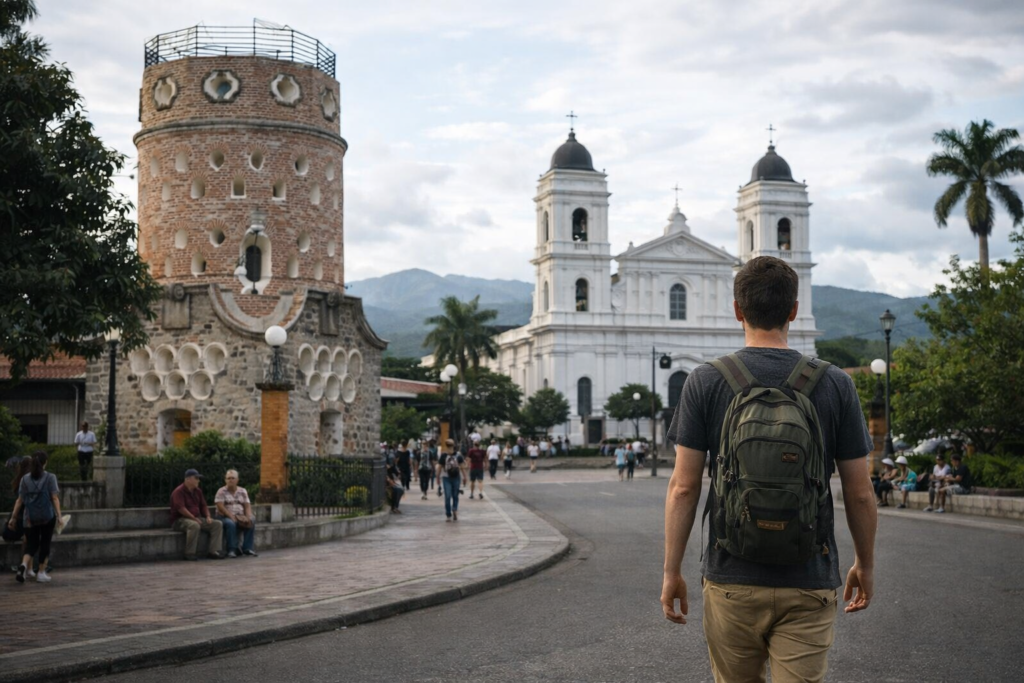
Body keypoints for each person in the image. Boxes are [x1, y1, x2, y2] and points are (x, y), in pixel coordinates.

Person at [661, 256, 877, 683]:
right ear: (793, 311)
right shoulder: (835, 383)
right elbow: (860, 492)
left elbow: (683, 489)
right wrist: (864, 564)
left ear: (738, 310)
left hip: (731, 577)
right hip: (810, 577)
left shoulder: (705, 381)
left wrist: (671, 572)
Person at [8, 451, 63, 583]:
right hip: (47, 516)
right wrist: (59, 516)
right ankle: (41, 572)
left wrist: (13, 517)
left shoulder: (25, 479)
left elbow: (20, 500)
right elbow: (54, 498)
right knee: (45, 543)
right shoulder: (50, 477)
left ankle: (23, 566)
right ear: (45, 463)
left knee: (31, 545)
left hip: (30, 517)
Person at [170, 469, 224, 561]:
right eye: (196, 478)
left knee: (217, 524)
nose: (198, 481)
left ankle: (213, 551)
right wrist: (194, 518)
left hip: (196, 517)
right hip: (180, 520)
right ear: (188, 479)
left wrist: (207, 516)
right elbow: (181, 509)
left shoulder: (198, 491)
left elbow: (203, 505)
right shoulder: (178, 492)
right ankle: (189, 553)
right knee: (194, 525)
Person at [214, 469, 256, 558]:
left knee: (252, 520)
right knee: (230, 523)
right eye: (228, 478)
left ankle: (248, 548)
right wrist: (231, 516)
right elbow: (220, 507)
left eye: (233, 478)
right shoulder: (221, 491)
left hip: (240, 515)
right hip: (224, 516)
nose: (230, 480)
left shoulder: (243, 491)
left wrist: (248, 516)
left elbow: (247, 506)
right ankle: (232, 550)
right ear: (225, 480)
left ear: (237, 480)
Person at [437, 439, 467, 521]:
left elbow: (439, 468)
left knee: (448, 496)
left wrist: (437, 477)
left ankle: (449, 514)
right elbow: (462, 467)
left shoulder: (444, 456)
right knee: (454, 495)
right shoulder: (458, 455)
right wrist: (465, 477)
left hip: (447, 478)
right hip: (455, 477)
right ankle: (454, 510)